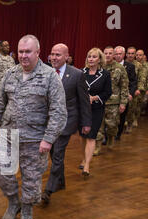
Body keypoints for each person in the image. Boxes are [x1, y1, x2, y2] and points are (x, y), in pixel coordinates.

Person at [0, 35, 67, 219]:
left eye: (28, 52)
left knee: (31, 180)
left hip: (35, 140)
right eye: (21, 51)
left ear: (38, 53)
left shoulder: (50, 76)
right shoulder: (10, 73)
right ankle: (14, 202)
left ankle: (26, 211)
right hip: (8, 136)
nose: (23, 56)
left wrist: (48, 139)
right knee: (1, 174)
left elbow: (58, 112)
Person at [42, 43, 91, 205]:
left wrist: (86, 122)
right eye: (52, 54)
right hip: (48, 122)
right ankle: (60, 181)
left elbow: (84, 101)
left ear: (66, 57)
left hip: (66, 121)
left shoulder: (77, 74)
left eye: (58, 55)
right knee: (53, 152)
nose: (54, 58)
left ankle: (48, 190)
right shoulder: (45, 72)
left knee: (58, 154)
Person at [79, 48, 112, 176]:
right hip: (83, 109)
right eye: (89, 56)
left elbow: (107, 93)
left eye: (94, 57)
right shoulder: (81, 72)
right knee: (83, 136)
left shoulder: (105, 74)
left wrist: (95, 98)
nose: (91, 59)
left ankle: (87, 165)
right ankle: (84, 158)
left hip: (96, 109)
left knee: (91, 136)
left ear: (99, 59)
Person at [94, 46, 128, 154]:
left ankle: (110, 138)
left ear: (113, 55)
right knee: (98, 125)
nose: (108, 55)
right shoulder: (98, 67)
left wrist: (123, 103)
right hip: (99, 101)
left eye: (110, 53)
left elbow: (124, 86)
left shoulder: (120, 68)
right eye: (106, 53)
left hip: (113, 102)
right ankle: (97, 146)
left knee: (111, 125)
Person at [114, 46, 137, 141]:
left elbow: (133, 82)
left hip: (124, 95)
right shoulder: (110, 65)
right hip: (112, 94)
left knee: (122, 115)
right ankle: (108, 134)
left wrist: (131, 93)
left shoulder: (130, 66)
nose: (118, 56)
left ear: (124, 55)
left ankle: (118, 134)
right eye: (116, 54)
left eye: (120, 54)